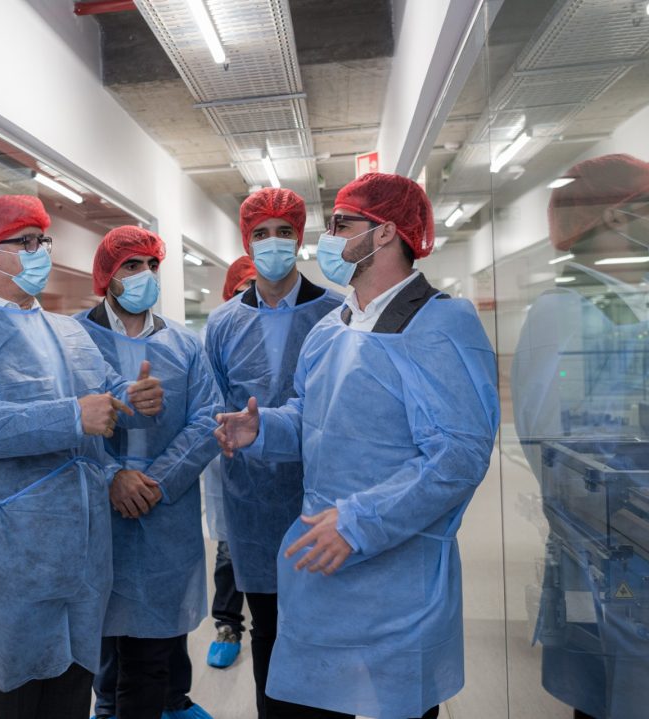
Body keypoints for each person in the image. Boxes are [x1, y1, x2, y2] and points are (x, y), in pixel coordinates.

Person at [215, 173, 499, 719]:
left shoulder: (441, 326)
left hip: (398, 577)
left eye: (342, 224)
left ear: (386, 232)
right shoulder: (331, 328)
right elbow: (310, 417)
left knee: (396, 704)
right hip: (324, 565)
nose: (328, 237)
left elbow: (458, 457)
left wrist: (358, 521)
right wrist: (263, 429)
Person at [0, 196, 165, 719]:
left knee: (73, 693)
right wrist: (72, 416)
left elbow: (105, 401)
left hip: (85, 557)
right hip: (11, 558)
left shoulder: (70, 331)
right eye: (24, 242)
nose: (40, 251)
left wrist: (134, 402)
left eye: (41, 240)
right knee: (12, 697)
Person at [512, 154, 649, 719]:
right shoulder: (566, 312)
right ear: (617, 217)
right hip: (618, 547)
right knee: (617, 690)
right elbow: (551, 447)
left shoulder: (638, 302)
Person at [203, 188, 343, 718]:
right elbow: (213, 408)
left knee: (325, 627)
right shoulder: (223, 324)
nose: (273, 243)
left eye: (284, 232)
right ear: (247, 242)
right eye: (261, 233)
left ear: (300, 238)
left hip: (322, 498)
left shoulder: (336, 313)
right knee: (268, 628)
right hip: (253, 503)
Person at [75, 227, 220, 719]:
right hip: (96, 516)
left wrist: (156, 481)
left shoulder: (184, 344)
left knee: (152, 659)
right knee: (103, 652)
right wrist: (111, 476)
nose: (145, 275)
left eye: (152, 265)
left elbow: (207, 420)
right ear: (107, 274)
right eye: (131, 266)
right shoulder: (73, 339)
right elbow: (64, 420)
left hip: (165, 518)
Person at [203, 256, 258, 669]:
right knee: (229, 550)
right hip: (230, 456)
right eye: (242, 292)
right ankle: (227, 624)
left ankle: (286, 626)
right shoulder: (217, 334)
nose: (249, 299)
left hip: (280, 461)